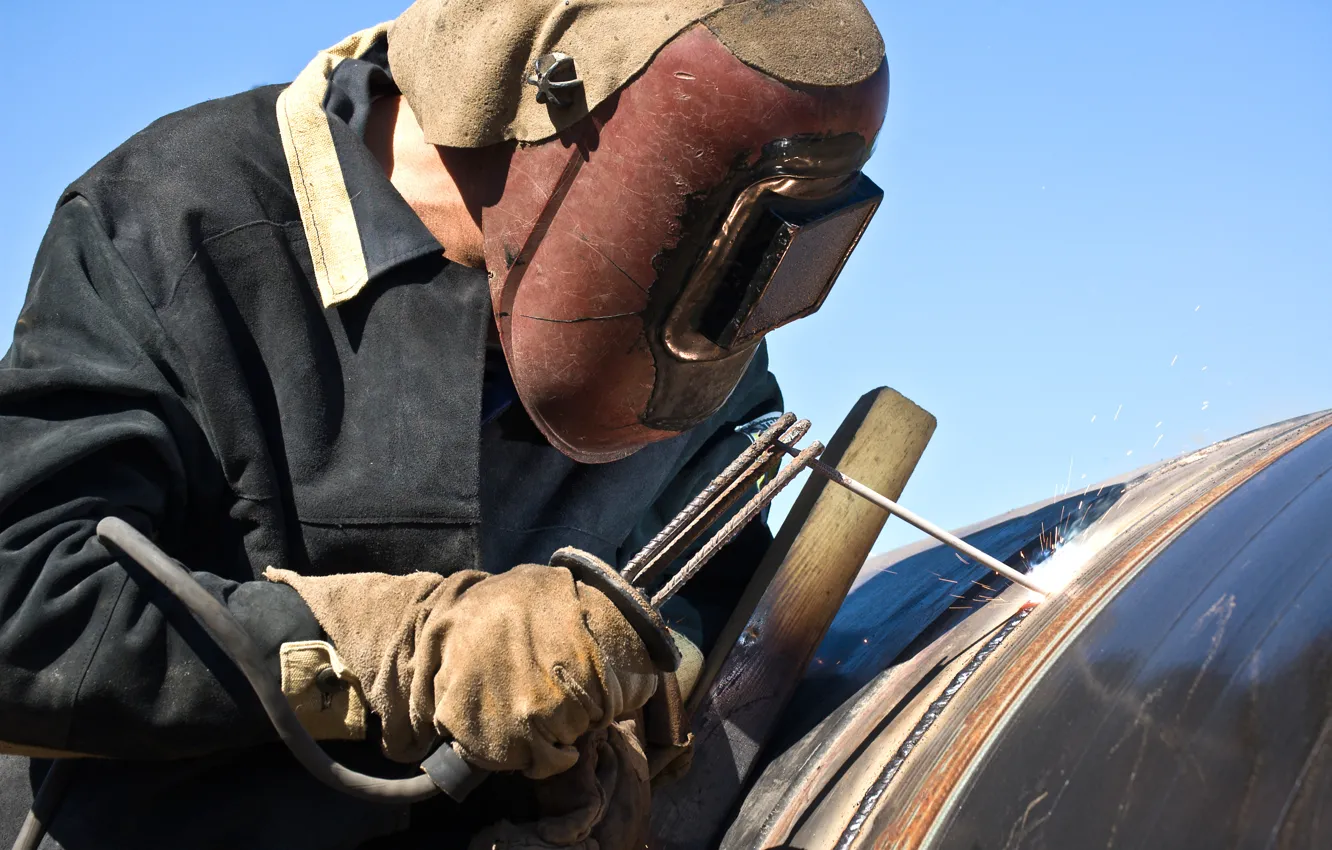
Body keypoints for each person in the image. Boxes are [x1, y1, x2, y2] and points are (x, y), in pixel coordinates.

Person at [0, 0, 888, 847]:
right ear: (549, 109)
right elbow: (25, 616)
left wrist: (638, 709)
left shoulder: (690, 324)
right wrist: (400, 653)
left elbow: (716, 592)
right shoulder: (176, 219)